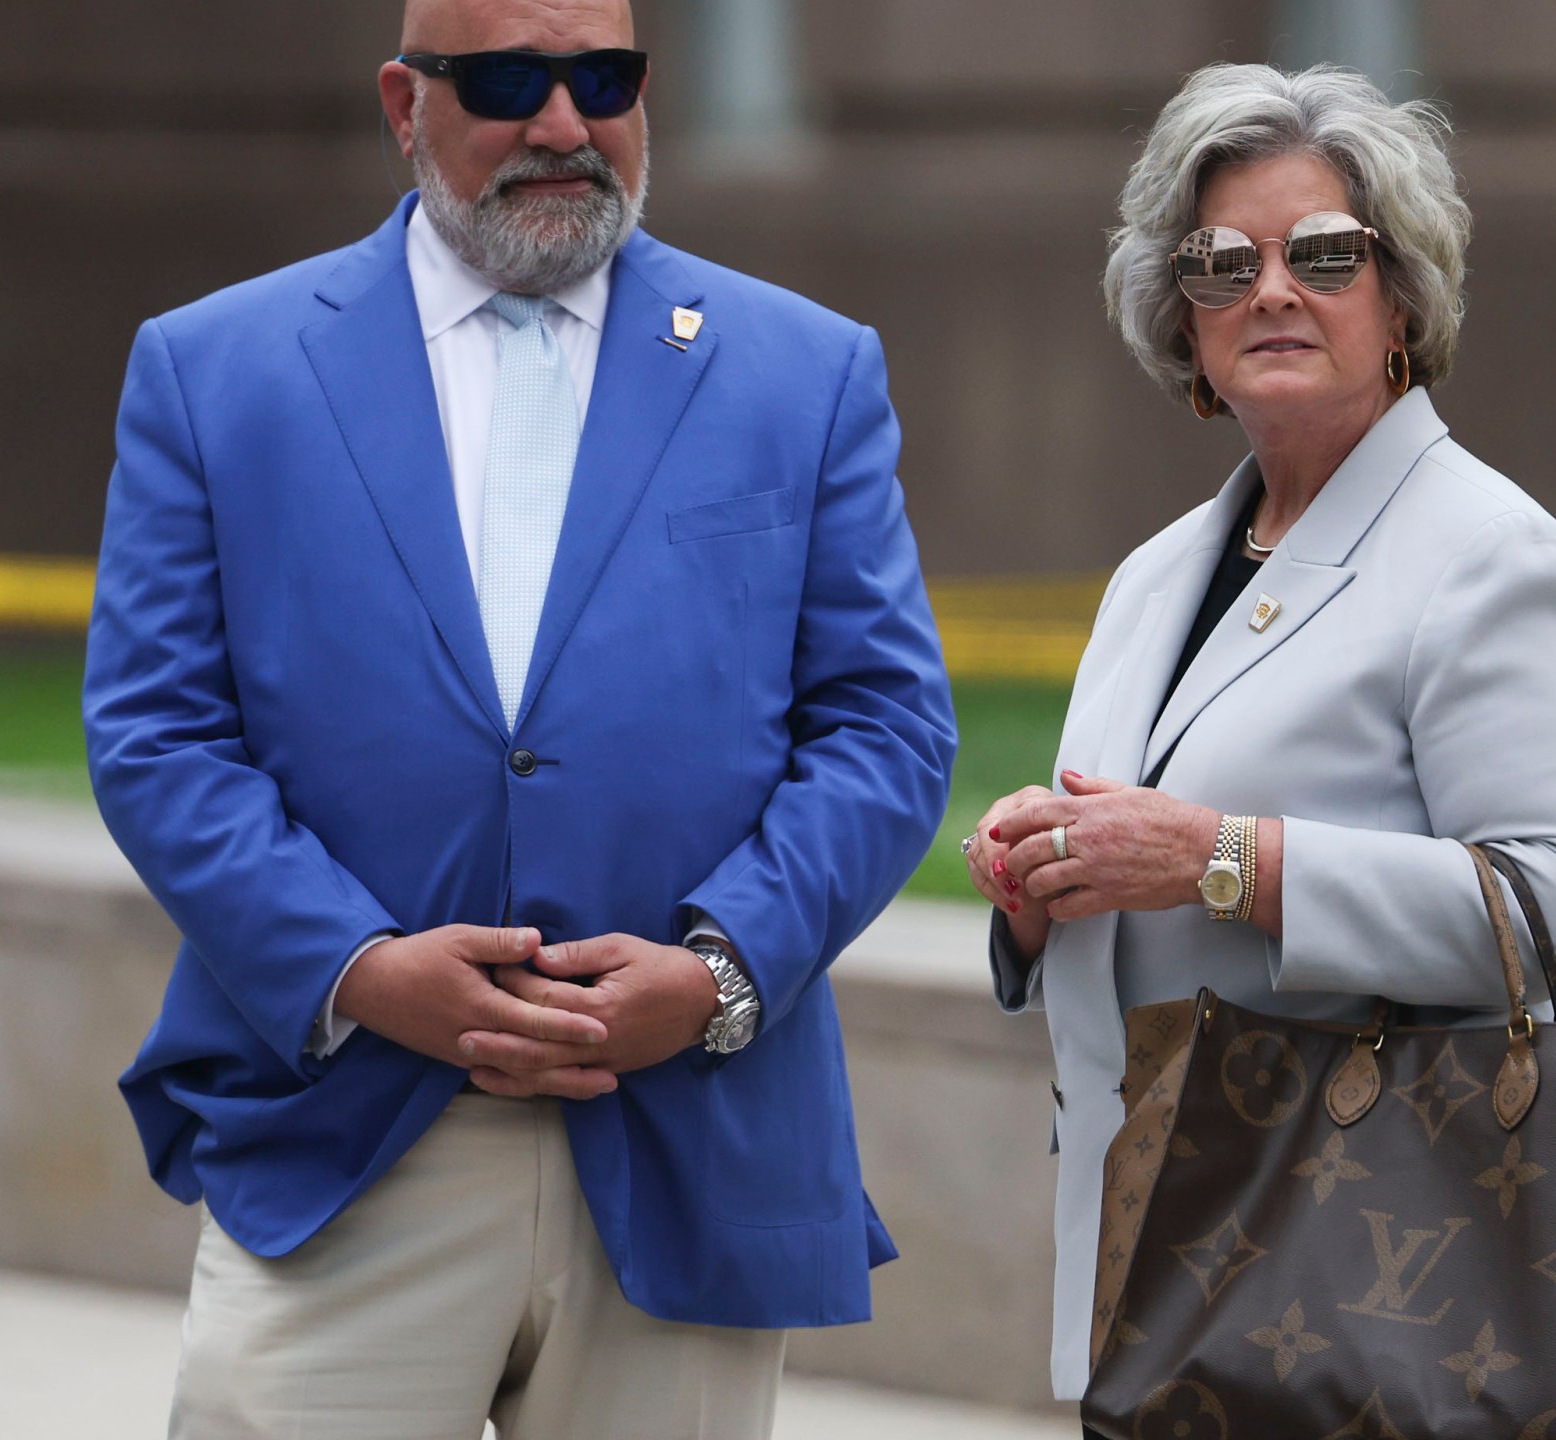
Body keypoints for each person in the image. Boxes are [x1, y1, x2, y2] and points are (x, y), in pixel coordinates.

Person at [83, 0, 955, 1433]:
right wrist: (358, 966)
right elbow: (157, 733)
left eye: (602, 78)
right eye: (507, 81)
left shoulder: (807, 372)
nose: (565, 126)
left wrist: (718, 974)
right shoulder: (215, 370)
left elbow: (883, 728)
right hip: (347, 1140)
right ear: (401, 104)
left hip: (686, 1147)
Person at [960, 63, 1556, 1404]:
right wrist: (1045, 880)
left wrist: (1223, 858)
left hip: (1366, 1283)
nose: (1272, 289)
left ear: (1401, 302)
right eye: (1223, 264)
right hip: (1146, 1272)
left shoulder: (1493, 557)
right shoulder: (1157, 574)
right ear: (1184, 318)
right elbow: (1148, 872)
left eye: (1324, 252)